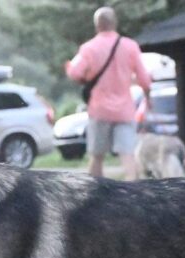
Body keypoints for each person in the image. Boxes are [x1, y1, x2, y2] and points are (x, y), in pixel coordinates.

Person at [66, 7, 152, 180]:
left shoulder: (88, 48)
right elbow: (145, 79)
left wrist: (73, 69)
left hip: (99, 110)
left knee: (97, 156)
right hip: (125, 110)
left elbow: (75, 73)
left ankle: (97, 195)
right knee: (127, 154)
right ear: (115, 24)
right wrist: (148, 99)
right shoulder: (130, 46)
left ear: (97, 25)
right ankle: (133, 193)